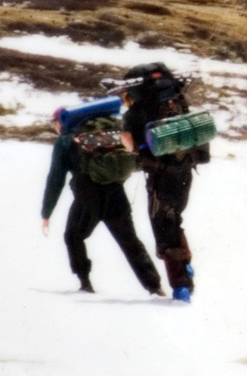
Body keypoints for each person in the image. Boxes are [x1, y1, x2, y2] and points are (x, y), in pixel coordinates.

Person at [40, 109, 164, 297]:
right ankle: (154, 286)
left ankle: (85, 283)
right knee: (130, 241)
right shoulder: (102, 135)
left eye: (54, 123)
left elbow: (56, 178)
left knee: (73, 236)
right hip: (115, 192)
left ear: (60, 122)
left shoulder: (65, 141)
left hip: (87, 197)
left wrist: (46, 212)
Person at [119, 63, 207, 303]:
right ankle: (184, 265)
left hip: (160, 175)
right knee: (174, 219)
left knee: (163, 227)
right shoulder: (178, 103)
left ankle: (181, 286)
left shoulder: (135, 114)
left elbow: (130, 144)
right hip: (185, 172)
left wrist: (131, 145)